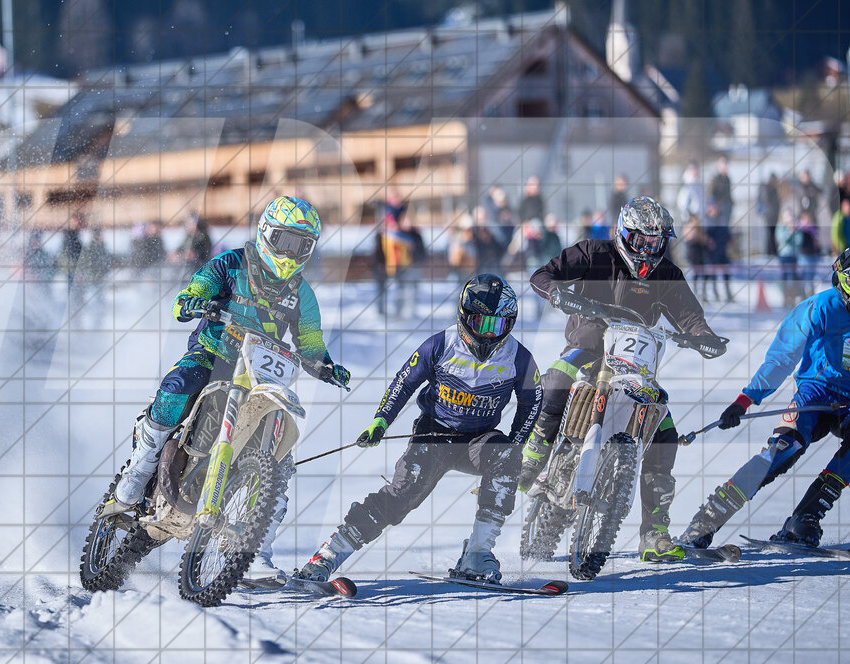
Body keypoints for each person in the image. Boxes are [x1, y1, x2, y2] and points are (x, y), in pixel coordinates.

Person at [113, 196, 351, 581]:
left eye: (301, 246)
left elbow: (309, 338)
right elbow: (200, 285)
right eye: (285, 241)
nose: (291, 253)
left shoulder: (302, 294)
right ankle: (140, 469)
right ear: (266, 234)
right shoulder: (232, 262)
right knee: (176, 387)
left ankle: (256, 550)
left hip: (261, 377)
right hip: (213, 354)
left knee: (280, 460)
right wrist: (193, 300)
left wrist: (324, 365)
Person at [296, 275, 542, 584]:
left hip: (478, 442)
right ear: (465, 316)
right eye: (480, 323)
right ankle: (329, 555)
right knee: (403, 495)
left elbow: (533, 401)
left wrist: (515, 448)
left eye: (497, 326)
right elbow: (405, 382)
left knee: (505, 455)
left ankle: (477, 555)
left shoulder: (519, 358)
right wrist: (381, 421)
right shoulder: (440, 344)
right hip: (434, 434)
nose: (487, 334)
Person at [519, 196, 727, 562]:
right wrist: (558, 293)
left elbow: (689, 315)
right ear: (623, 233)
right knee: (556, 378)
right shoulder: (594, 253)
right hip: (587, 347)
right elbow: (541, 275)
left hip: (635, 364)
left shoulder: (667, 275)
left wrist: (704, 336)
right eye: (642, 241)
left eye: (656, 242)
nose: (648, 250)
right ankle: (532, 458)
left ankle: (655, 533)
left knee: (665, 432)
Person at [679, 248, 850, 549]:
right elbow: (782, 358)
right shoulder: (822, 306)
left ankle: (805, 518)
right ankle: (708, 519)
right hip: (816, 394)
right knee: (783, 449)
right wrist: (745, 400)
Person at [704, 202, 734, 303]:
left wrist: (730, 240)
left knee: (726, 273)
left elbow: (727, 233)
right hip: (713, 253)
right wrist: (709, 241)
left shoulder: (722, 220)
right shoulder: (707, 223)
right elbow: (705, 237)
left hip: (723, 251)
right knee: (713, 274)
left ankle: (728, 294)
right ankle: (715, 293)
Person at [774, 208, 802, 307]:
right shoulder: (781, 227)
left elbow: (799, 241)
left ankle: (793, 297)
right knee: (784, 277)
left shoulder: (796, 228)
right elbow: (781, 239)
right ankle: (785, 298)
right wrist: (790, 232)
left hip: (793, 256)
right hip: (784, 256)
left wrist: (794, 231)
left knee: (794, 277)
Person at [757, 173, 781, 256]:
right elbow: (769, 202)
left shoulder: (771, 189)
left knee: (772, 233)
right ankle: (770, 252)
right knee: (770, 234)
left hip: (771, 215)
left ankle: (771, 251)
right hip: (770, 215)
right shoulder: (769, 189)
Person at [59, 215, 85, 286]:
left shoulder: (76, 234)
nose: (76, 224)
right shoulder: (70, 235)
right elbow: (70, 252)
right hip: (72, 265)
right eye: (74, 221)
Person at [709, 156, 733, 229]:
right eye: (723, 164)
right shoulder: (715, 179)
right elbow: (711, 194)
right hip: (718, 209)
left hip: (727, 208)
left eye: (726, 164)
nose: (725, 166)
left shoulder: (728, 178)